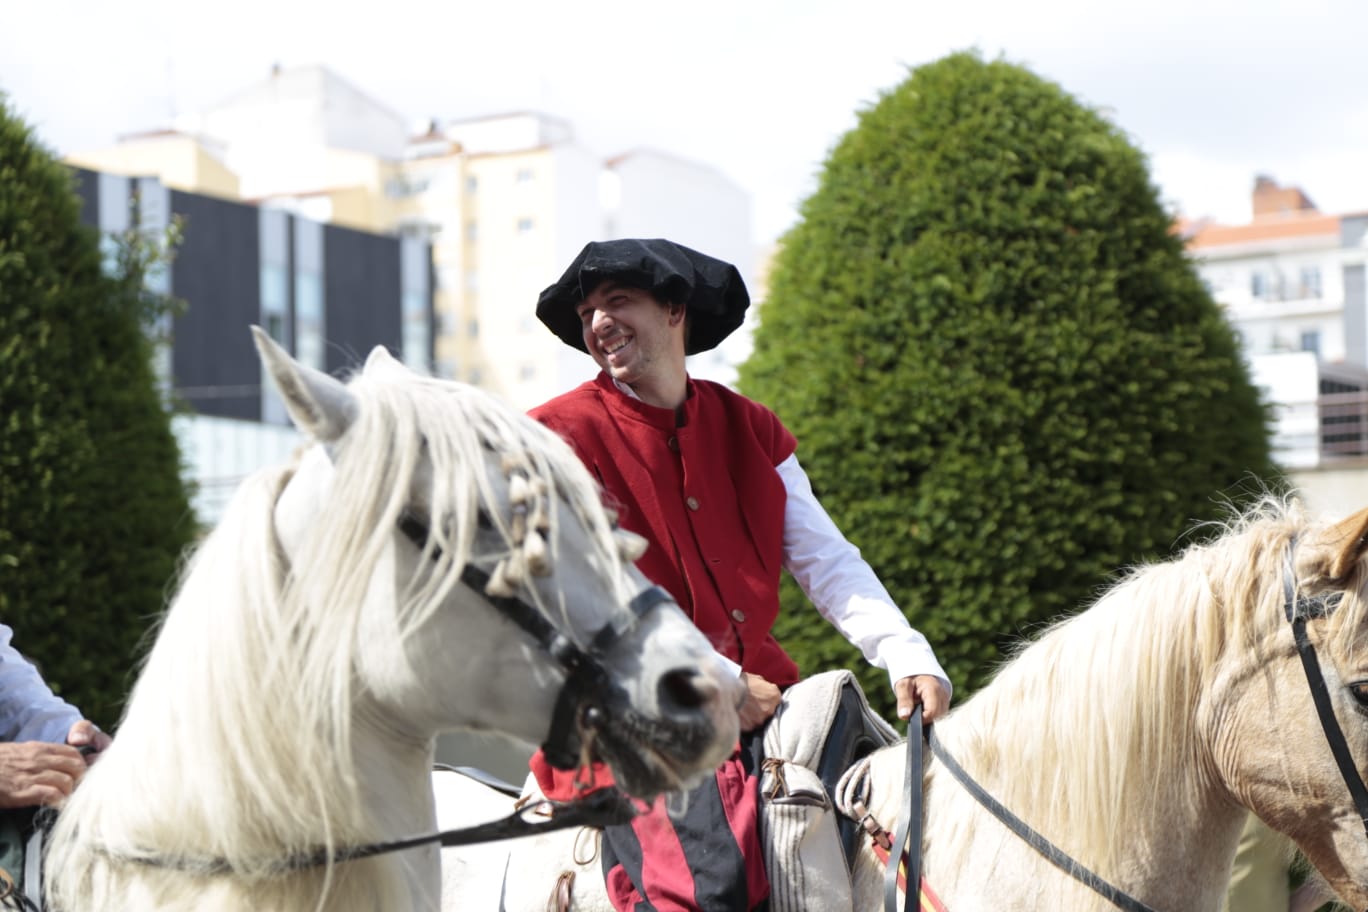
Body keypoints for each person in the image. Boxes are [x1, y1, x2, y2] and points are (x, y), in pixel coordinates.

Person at [526, 238, 951, 911]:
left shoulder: (751, 426)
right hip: (636, 718)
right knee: (712, 889)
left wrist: (905, 651)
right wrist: (718, 680)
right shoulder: (555, 436)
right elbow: (585, 600)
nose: (598, 322)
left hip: (766, 703)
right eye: (586, 314)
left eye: (617, 301)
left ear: (675, 310)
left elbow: (826, 559)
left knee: (917, 836)